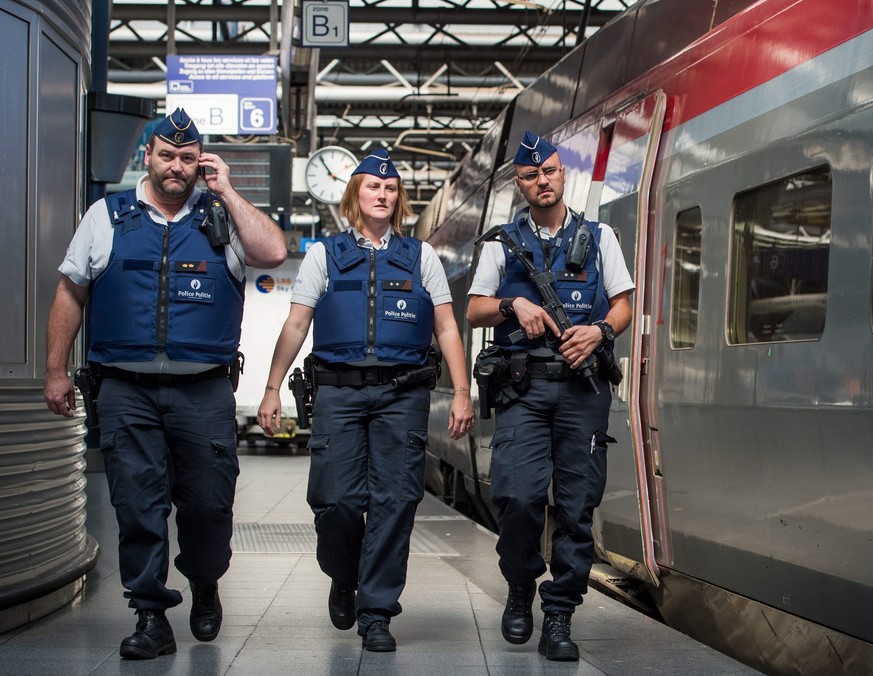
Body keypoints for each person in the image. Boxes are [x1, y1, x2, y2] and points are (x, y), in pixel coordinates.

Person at [43, 108, 287, 659]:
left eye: (187, 158)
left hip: (203, 391)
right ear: (147, 157)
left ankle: (204, 580)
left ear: (200, 162)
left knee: (206, 505)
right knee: (138, 505)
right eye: (166, 155)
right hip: (125, 389)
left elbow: (273, 251)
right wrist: (55, 370)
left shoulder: (220, 218)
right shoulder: (106, 216)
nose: (176, 166)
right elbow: (70, 292)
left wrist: (227, 190)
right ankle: (150, 614)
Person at [255, 149, 474, 652]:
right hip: (338, 392)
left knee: (395, 502)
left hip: (403, 394)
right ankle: (342, 572)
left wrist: (461, 393)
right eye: (373, 186)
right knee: (335, 499)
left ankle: (376, 611)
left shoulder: (421, 257)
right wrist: (271, 388)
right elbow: (296, 323)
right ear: (356, 194)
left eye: (391, 188)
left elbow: (445, 326)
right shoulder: (323, 255)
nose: (383, 194)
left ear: (398, 199)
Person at [465, 132, 635, 661]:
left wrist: (601, 331)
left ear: (565, 175)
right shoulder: (501, 243)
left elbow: (624, 303)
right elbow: (474, 310)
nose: (543, 181)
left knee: (577, 506)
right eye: (531, 176)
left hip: (583, 390)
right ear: (519, 184)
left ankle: (558, 614)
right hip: (524, 389)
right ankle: (520, 585)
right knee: (517, 496)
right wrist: (513, 305)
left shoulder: (600, 236)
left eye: (551, 172)